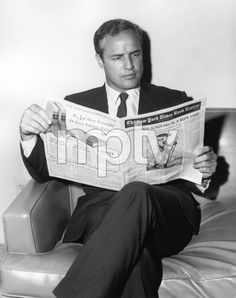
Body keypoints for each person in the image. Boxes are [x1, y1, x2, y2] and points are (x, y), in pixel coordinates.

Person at [19, 19, 217, 298]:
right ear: (99, 60)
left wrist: (204, 171)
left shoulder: (174, 101)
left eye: (135, 54)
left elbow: (194, 175)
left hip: (165, 213)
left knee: (136, 192)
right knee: (133, 254)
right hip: (103, 213)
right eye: (117, 57)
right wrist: (27, 135)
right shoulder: (75, 105)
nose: (129, 65)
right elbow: (43, 172)